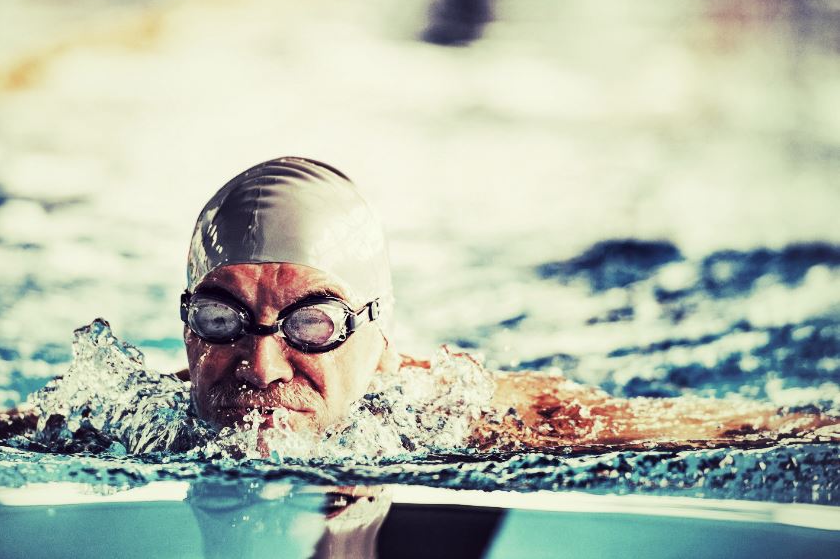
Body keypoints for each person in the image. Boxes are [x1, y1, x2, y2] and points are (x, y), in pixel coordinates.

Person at [176, 157, 835, 451]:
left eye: (312, 323)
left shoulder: (460, 415)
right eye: (219, 319)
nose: (260, 365)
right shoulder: (115, 416)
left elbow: (723, 427)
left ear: (379, 338)